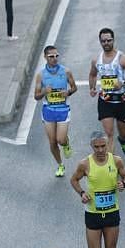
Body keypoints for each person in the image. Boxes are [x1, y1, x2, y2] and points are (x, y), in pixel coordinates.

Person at [70, 132, 125, 248]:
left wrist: (123, 183)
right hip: (93, 213)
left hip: (111, 212)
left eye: (103, 146)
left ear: (107, 145)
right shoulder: (85, 164)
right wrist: (82, 193)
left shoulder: (116, 161)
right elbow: (74, 180)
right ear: (92, 147)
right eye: (97, 147)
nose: (101, 150)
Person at [88, 28, 125, 155]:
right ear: (100, 42)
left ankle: (122, 141)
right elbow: (93, 74)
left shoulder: (122, 59)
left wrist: (123, 83)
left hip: (122, 100)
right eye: (103, 41)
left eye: (109, 40)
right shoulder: (96, 60)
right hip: (105, 100)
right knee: (109, 133)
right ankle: (111, 165)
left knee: (123, 133)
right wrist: (92, 88)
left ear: (113, 40)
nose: (106, 43)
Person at [34, 46, 77, 177]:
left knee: (60, 140)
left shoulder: (66, 71)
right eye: (51, 56)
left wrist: (68, 92)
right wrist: (43, 92)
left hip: (63, 109)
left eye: (56, 56)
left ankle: (66, 143)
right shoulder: (41, 75)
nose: (54, 59)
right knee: (52, 142)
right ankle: (60, 165)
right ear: (45, 57)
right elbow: (36, 96)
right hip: (48, 110)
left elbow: (74, 88)